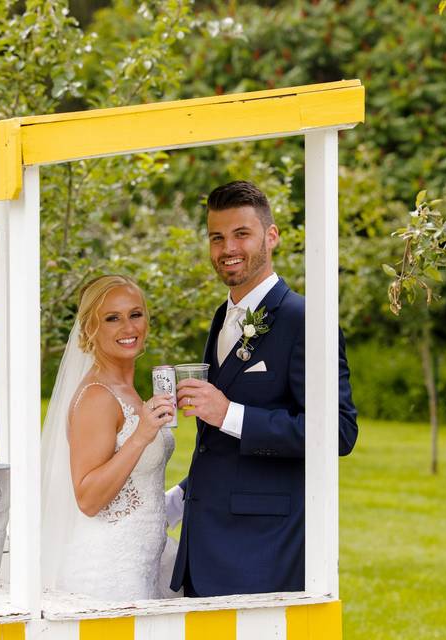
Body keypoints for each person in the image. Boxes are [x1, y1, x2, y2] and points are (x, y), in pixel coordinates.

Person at [168, 180, 359, 597]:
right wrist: (178, 498)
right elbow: (217, 448)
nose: (227, 248)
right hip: (206, 545)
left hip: (263, 552)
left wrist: (228, 414)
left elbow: (338, 434)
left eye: (241, 234)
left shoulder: (304, 320)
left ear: (271, 236)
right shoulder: (224, 315)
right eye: (216, 237)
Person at [40, 274, 179, 601]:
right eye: (112, 318)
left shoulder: (125, 390)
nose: (128, 328)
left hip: (142, 565)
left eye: (135, 314)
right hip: (109, 575)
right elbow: (88, 498)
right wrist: (141, 436)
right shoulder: (97, 397)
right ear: (90, 328)